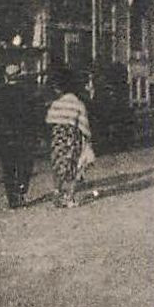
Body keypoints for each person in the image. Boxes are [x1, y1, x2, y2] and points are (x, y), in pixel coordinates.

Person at [43, 68, 94, 209]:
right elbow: (84, 125)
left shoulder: (56, 103)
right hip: (72, 139)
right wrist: (87, 140)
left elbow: (49, 120)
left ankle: (57, 193)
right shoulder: (78, 104)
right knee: (74, 167)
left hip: (57, 139)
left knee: (58, 166)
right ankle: (70, 197)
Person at [0, 62, 39, 208]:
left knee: (8, 167)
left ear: (6, 77)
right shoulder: (27, 93)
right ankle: (22, 192)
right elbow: (32, 115)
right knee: (24, 165)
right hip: (23, 134)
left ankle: (12, 198)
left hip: (5, 136)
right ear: (19, 76)